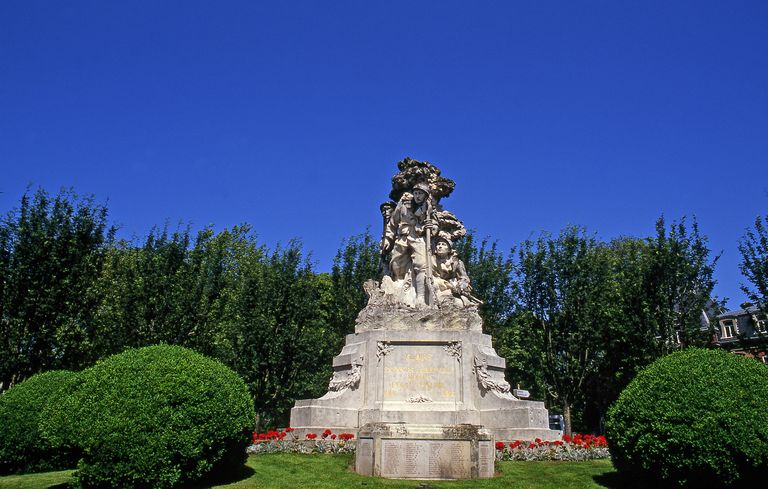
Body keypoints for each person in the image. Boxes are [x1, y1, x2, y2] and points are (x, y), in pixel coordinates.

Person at [380, 183, 437, 307]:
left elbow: (435, 224)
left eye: (420, 194)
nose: (417, 196)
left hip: (418, 237)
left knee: (422, 265)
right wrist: (388, 239)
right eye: (416, 193)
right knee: (396, 266)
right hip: (403, 238)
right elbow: (392, 223)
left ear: (425, 196)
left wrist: (432, 228)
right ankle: (397, 293)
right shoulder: (403, 204)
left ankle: (420, 298)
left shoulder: (429, 208)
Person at [431, 235, 481, 307]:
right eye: (438, 244)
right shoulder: (431, 260)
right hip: (439, 284)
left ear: (449, 249)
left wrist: (461, 286)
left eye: (443, 244)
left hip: (454, 285)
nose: (440, 246)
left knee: (461, 303)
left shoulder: (456, 262)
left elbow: (464, 277)